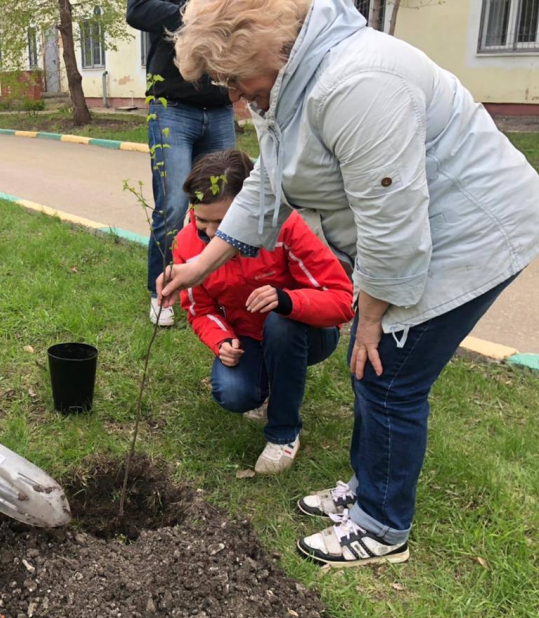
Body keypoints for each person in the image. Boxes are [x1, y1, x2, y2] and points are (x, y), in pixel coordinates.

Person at [158, 0, 539, 567]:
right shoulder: (287, 84)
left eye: (236, 81)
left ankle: (382, 526)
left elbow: (394, 224)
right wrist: (200, 266)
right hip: (417, 235)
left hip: (472, 235)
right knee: (376, 368)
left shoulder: (357, 83)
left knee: (389, 376)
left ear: (262, 45)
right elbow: (266, 182)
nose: (235, 100)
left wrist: (370, 316)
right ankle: (367, 491)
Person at [175, 150, 353, 475]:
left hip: (306, 330)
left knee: (281, 325)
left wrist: (287, 301)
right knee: (234, 394)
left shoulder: (285, 227)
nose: (213, 233)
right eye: (202, 220)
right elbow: (200, 309)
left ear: (250, 205)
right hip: (249, 336)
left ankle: (284, 432)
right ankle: (270, 389)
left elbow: (341, 300)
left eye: (224, 222)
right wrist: (222, 340)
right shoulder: (187, 243)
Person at [126, 0, 237, 327]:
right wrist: (200, 13)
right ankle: (161, 292)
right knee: (173, 206)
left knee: (224, 204)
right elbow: (138, 10)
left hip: (219, 107)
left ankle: (214, 291)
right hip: (172, 107)